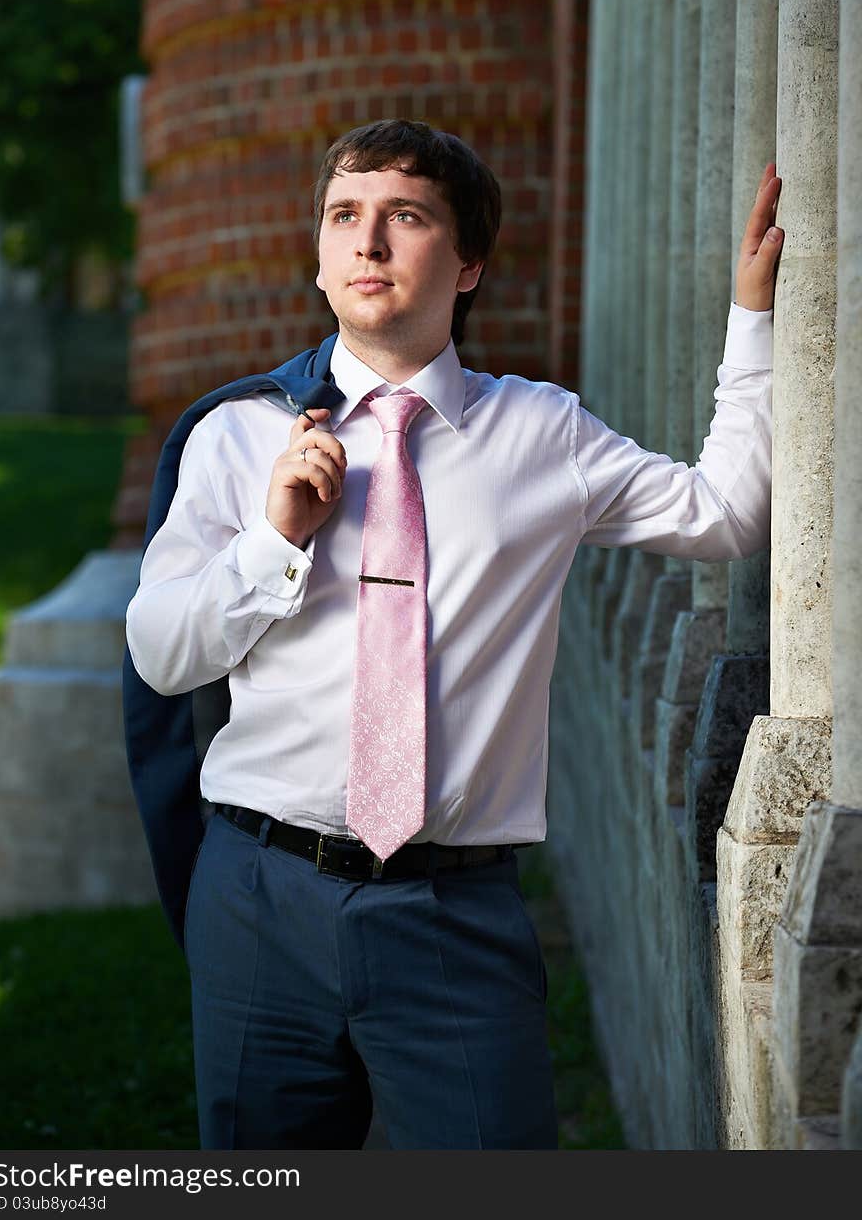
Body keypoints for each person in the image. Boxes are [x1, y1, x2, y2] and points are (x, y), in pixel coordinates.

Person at [125, 119, 782, 1150]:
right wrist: (272, 540)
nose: (368, 243)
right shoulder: (239, 436)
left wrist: (755, 317)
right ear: (317, 255)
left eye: (405, 217)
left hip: (450, 912)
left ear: (467, 262)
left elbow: (726, 513)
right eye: (344, 217)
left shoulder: (541, 434)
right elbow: (163, 654)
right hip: (259, 893)